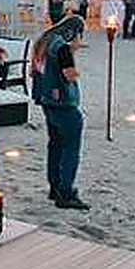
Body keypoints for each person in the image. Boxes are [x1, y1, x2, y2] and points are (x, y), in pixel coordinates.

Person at [32, 15, 88, 209]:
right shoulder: (62, 47)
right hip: (63, 103)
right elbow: (68, 74)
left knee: (55, 145)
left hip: (48, 101)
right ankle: (65, 192)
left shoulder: (44, 43)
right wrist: (73, 59)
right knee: (71, 148)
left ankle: (55, 187)